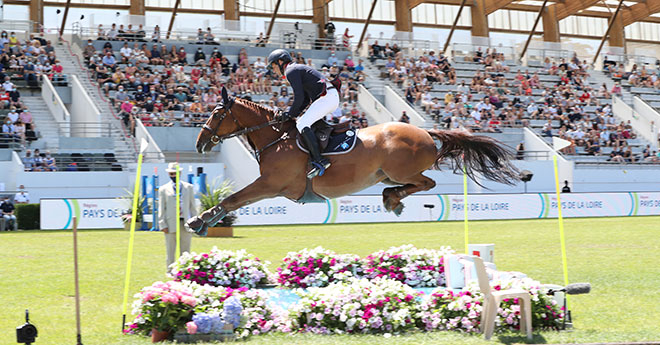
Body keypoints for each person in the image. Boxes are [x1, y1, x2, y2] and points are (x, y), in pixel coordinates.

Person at [267, 49, 337, 178]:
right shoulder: (294, 69)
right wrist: (291, 114)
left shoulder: (290, 71)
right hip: (328, 97)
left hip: (327, 97)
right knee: (303, 122)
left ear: (280, 62)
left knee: (302, 124)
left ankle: (319, 160)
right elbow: (304, 100)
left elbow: (298, 97)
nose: (274, 70)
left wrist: (290, 114)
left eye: (273, 66)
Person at [158, 162, 197, 271]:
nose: (173, 176)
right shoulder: (163, 189)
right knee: (170, 249)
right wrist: (162, 224)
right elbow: (161, 208)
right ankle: (170, 270)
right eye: (171, 174)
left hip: (186, 222)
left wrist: (195, 221)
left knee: (185, 249)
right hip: (170, 223)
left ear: (179, 173)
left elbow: (192, 206)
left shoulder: (188, 187)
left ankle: (184, 270)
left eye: (175, 174)